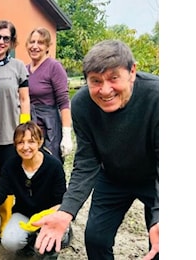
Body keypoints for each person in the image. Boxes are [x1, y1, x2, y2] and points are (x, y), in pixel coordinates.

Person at [32, 40, 159, 260]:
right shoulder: (82, 105)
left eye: (113, 78)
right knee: (95, 239)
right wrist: (66, 211)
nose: (105, 90)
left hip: (155, 177)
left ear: (132, 71)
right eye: (96, 81)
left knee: (160, 239)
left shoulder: (158, 97)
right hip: (112, 177)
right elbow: (86, 162)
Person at [0, 121, 70, 259]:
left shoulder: (54, 166)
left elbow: (62, 202)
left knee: (48, 246)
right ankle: (29, 242)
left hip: (50, 214)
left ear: (40, 143)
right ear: (15, 145)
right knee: (10, 241)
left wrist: (43, 216)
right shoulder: (11, 165)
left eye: (31, 141)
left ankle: (61, 236)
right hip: (24, 214)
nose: (26, 147)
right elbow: (1, 193)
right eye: (21, 142)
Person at [0, 20, 31, 237]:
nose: (0, 42)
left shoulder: (18, 67)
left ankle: (6, 219)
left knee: (9, 179)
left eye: (6, 38)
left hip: (9, 135)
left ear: (12, 43)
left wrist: (24, 128)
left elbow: (24, 97)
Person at [25, 27, 73, 163]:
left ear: (47, 47)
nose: (35, 46)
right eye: (32, 42)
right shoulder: (25, 69)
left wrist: (67, 135)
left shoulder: (54, 67)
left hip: (49, 127)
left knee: (50, 165)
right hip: (31, 127)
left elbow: (64, 102)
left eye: (40, 43)